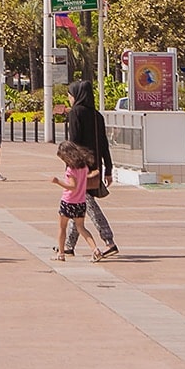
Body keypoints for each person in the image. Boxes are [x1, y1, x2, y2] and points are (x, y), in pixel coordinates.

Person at [63, 79, 118, 259]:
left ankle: (108, 241)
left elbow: (74, 143)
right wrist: (108, 169)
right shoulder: (97, 115)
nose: (69, 98)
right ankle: (68, 246)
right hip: (96, 167)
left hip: (80, 168)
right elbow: (104, 144)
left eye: (70, 95)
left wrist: (71, 168)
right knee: (80, 204)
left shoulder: (75, 113)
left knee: (87, 204)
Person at [53, 141, 105, 261]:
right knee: (81, 227)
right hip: (80, 202)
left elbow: (72, 186)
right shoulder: (84, 167)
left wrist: (58, 182)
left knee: (62, 227)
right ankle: (95, 249)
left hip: (68, 201)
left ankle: (61, 253)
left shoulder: (71, 170)